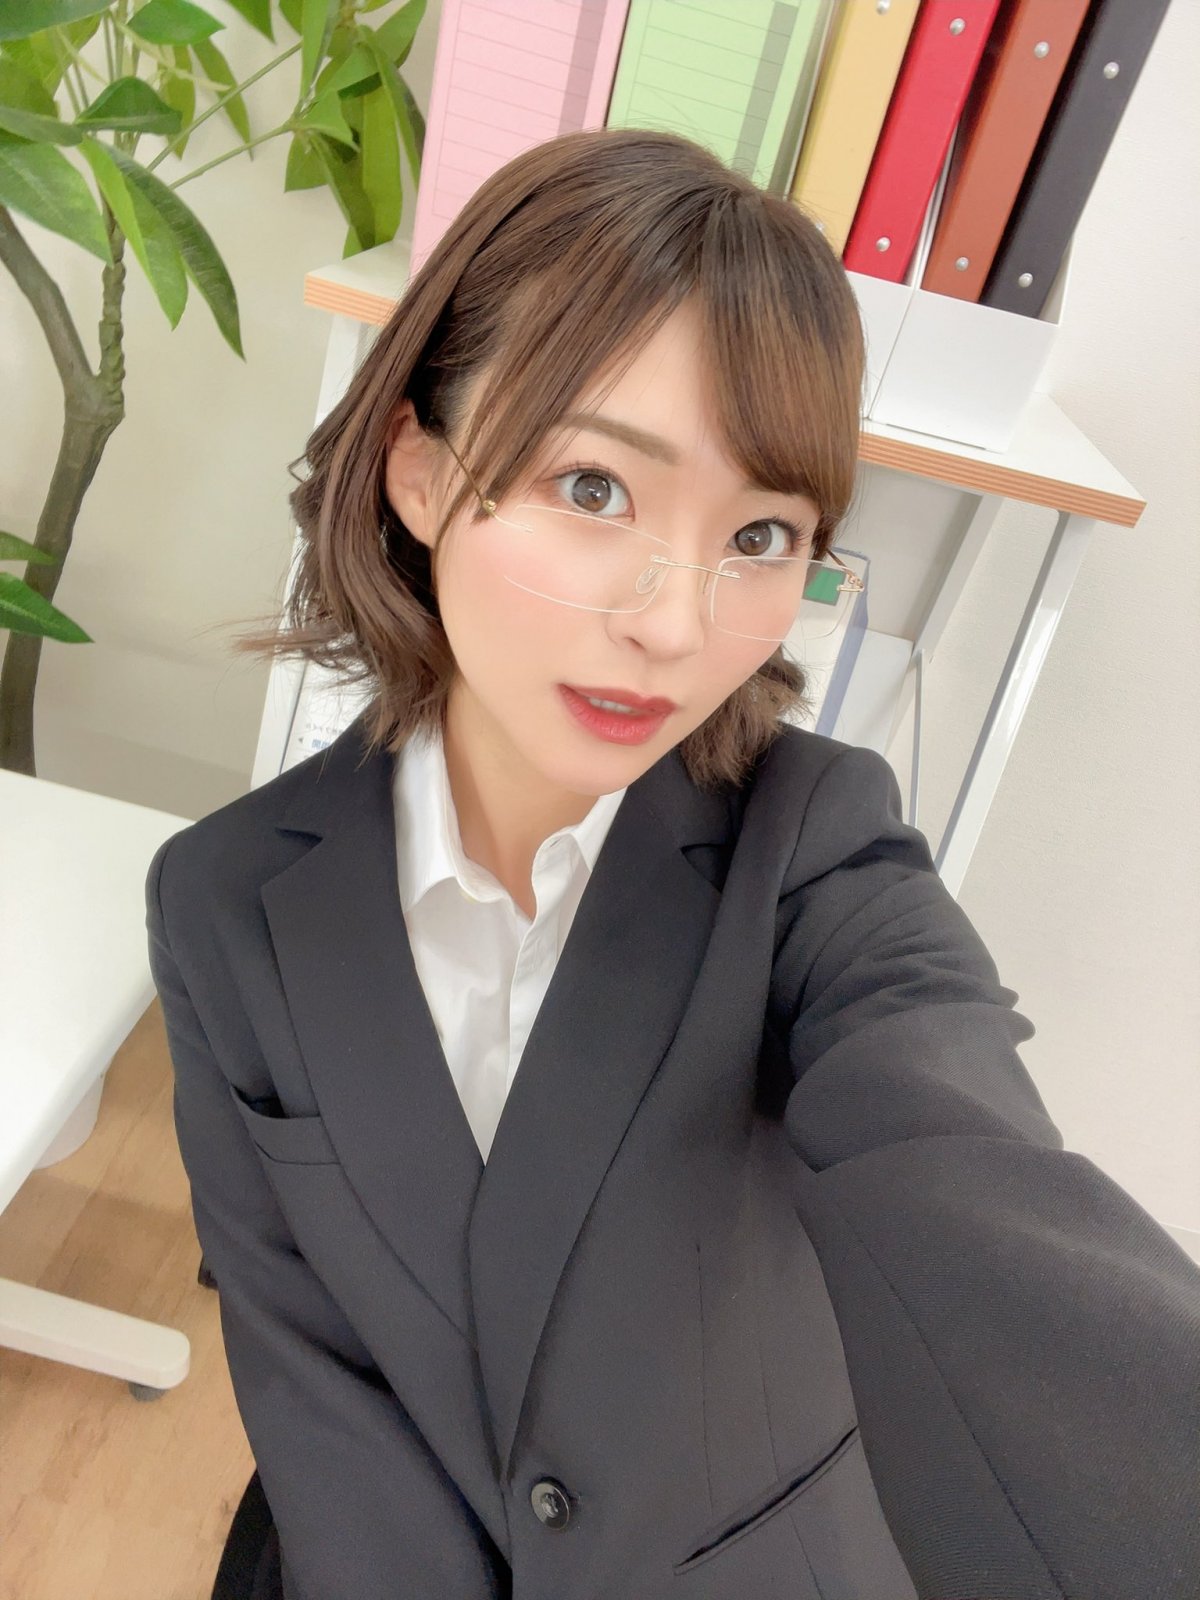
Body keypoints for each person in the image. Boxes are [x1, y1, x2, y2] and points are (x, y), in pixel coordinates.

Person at [145, 127, 1199, 1600]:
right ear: (423, 475)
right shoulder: (224, 898)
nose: (676, 623)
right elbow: (309, 1372)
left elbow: (963, 1169)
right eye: (594, 489)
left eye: (760, 533)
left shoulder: (815, 851)